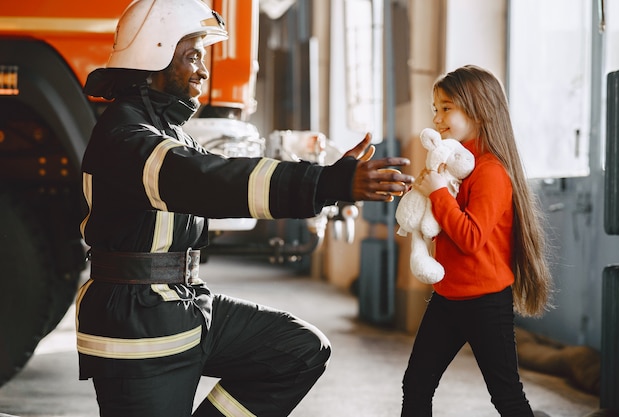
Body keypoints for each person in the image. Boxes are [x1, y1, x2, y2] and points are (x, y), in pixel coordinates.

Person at [76, 1, 414, 416]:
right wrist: (328, 182)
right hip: (137, 326)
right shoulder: (125, 138)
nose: (203, 70)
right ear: (154, 57)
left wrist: (326, 183)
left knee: (297, 350)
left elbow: (222, 177)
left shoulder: (166, 131)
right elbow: (210, 180)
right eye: (192, 56)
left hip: (179, 306)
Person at [400, 65, 553, 416]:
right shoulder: (454, 169)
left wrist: (438, 194)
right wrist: (423, 196)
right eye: (434, 109)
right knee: (417, 384)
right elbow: (441, 221)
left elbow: (470, 238)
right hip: (448, 297)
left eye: (446, 108)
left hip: (486, 302)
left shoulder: (491, 171)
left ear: (478, 111)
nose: (437, 118)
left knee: (506, 396)